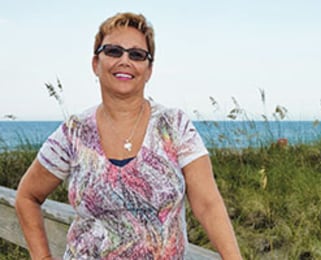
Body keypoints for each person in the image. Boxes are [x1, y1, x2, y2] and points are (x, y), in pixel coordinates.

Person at [15, 12, 242, 260]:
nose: (125, 60)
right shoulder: (74, 132)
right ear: (95, 63)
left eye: (137, 55)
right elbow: (27, 196)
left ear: (148, 69)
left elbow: (208, 205)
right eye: (113, 51)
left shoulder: (173, 126)